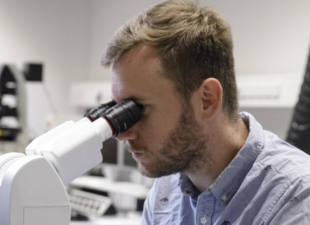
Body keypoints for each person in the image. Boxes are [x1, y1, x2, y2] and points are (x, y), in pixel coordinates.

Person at [101, 0, 310, 224]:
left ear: (207, 100)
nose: (123, 134)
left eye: (138, 109)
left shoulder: (296, 199)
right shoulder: (166, 189)